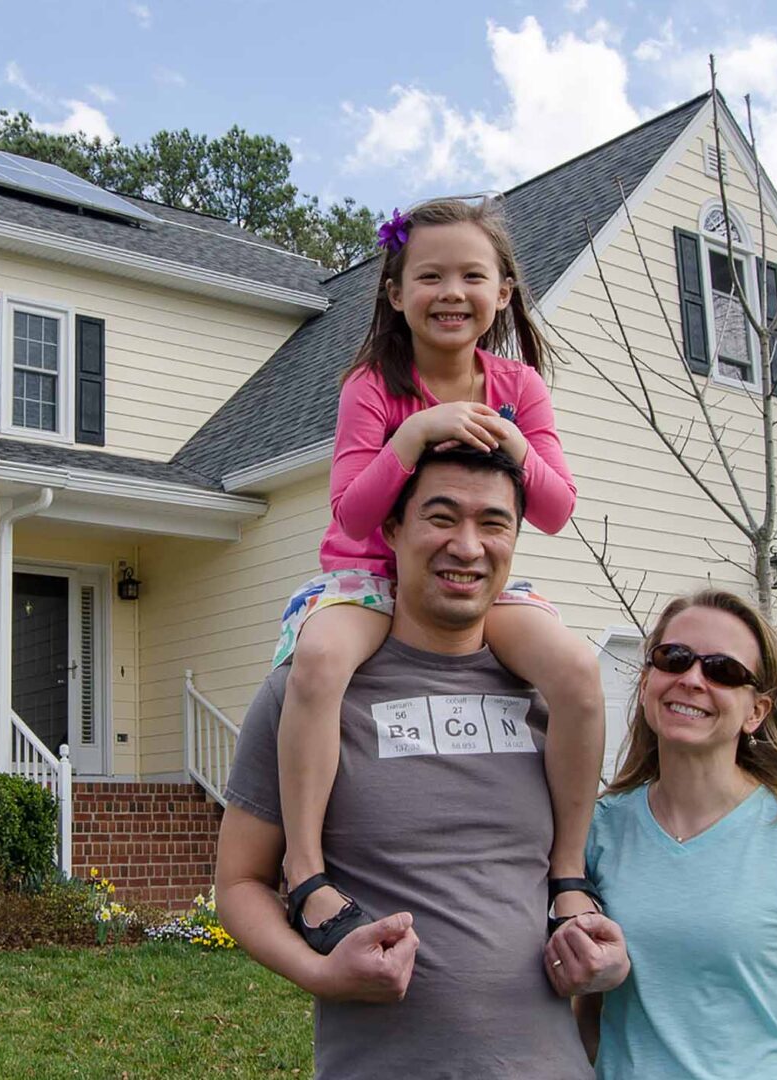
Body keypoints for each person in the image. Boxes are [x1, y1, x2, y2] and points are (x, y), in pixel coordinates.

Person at [217, 446, 630, 1080]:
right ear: (392, 529)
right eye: (441, 517)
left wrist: (602, 964)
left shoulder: (551, 701)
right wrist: (323, 972)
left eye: (493, 523)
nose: (467, 546)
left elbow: (579, 891)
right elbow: (240, 885)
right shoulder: (309, 695)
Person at [274, 196, 606, 953]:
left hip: (473, 581)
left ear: (503, 293)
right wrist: (415, 434)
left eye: (471, 275)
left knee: (579, 672)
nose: (450, 292)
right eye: (429, 276)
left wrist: (517, 448)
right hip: (370, 579)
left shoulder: (517, 387)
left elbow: (554, 512)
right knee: (321, 661)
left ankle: (567, 870)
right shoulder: (371, 385)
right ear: (396, 293)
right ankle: (303, 869)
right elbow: (354, 517)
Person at [576, 590, 777, 1079]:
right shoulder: (598, 830)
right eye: (674, 659)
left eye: (723, 671)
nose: (693, 679)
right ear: (649, 679)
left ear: (755, 712)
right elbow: (584, 1019)